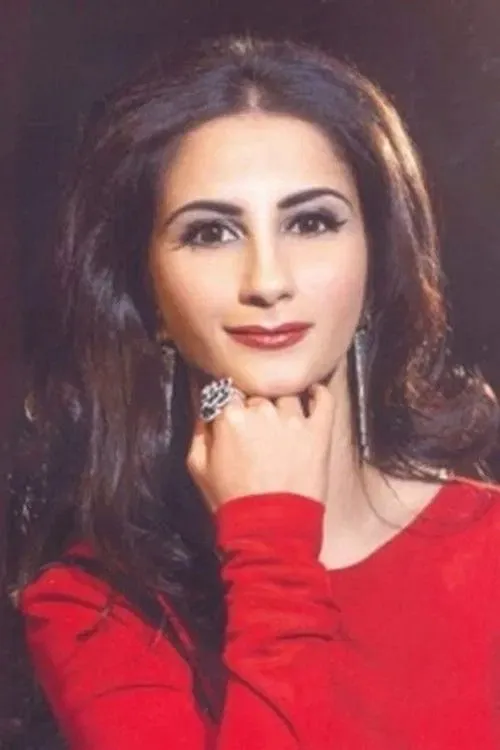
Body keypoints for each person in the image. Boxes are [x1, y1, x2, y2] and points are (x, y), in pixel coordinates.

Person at [2, 35, 499, 749]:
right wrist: (270, 543)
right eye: (211, 233)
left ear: (376, 264)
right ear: (147, 291)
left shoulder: (487, 546)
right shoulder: (92, 607)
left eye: (311, 222)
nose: (267, 280)